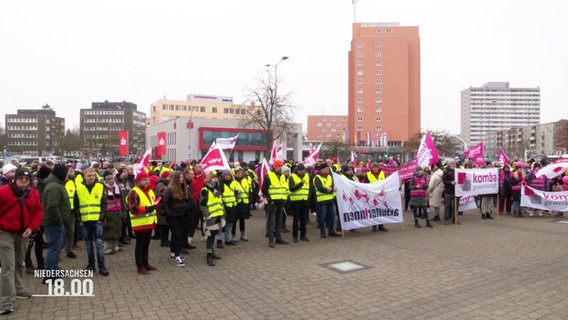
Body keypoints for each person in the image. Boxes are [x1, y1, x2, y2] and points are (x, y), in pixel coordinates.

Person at [0, 169, 43, 315]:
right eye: (21, 177)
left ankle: (18, 288)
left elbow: (38, 211)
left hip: (24, 233)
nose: (24, 180)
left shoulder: (33, 193)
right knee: (8, 266)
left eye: (27, 178)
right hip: (5, 232)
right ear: (15, 178)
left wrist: (32, 227)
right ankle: (6, 300)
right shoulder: (4, 191)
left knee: (20, 262)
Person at [75, 168, 109, 276]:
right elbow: (76, 206)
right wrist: (79, 219)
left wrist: (101, 218)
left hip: (97, 220)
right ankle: (91, 266)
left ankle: (102, 266)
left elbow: (104, 203)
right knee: (88, 244)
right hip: (84, 221)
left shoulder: (100, 186)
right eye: (89, 175)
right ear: (84, 176)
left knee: (99, 244)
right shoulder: (79, 188)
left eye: (93, 175)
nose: (92, 177)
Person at [41, 164, 71, 283]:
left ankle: (53, 270)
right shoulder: (54, 187)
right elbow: (52, 206)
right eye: (67, 172)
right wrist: (60, 221)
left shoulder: (57, 185)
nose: (69, 175)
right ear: (61, 174)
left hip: (56, 222)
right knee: (53, 249)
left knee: (56, 249)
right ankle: (48, 275)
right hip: (54, 223)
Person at [127, 171, 158, 275]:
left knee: (146, 245)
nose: (146, 181)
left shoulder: (150, 191)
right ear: (138, 181)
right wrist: (147, 209)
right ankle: (140, 266)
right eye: (144, 180)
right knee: (140, 246)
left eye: (147, 179)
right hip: (139, 224)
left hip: (149, 222)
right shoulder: (134, 192)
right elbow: (133, 208)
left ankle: (146, 263)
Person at [162, 171, 191, 267]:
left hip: (181, 215)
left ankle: (173, 253)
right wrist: (171, 214)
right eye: (180, 178)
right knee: (177, 235)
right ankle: (177, 255)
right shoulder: (169, 189)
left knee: (177, 235)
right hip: (173, 216)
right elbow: (165, 203)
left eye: (182, 178)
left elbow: (185, 200)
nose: (182, 179)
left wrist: (186, 208)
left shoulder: (183, 189)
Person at [262, 159, 290, 247]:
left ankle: (278, 238)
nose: (280, 168)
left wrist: (285, 198)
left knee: (279, 221)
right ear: (275, 166)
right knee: (271, 221)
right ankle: (271, 239)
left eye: (281, 166)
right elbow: (264, 189)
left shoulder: (283, 176)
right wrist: (270, 199)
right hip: (272, 202)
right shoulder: (269, 176)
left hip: (281, 202)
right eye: (279, 166)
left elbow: (285, 188)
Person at [199, 171, 224, 266]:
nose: (216, 179)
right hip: (210, 218)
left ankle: (212, 251)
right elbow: (202, 205)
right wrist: (208, 216)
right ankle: (209, 254)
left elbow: (219, 202)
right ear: (209, 179)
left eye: (216, 178)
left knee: (214, 235)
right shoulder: (205, 190)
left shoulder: (216, 189)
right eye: (213, 178)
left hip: (217, 216)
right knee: (210, 236)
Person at [313, 162, 339, 238]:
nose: (328, 169)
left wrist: (331, 188)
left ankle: (331, 231)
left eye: (328, 168)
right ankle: (323, 232)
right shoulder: (317, 178)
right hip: (322, 201)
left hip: (330, 199)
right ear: (322, 169)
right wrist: (329, 190)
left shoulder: (329, 176)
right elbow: (320, 188)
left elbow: (331, 185)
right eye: (326, 168)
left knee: (332, 215)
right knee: (322, 217)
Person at [102, 174, 123, 255]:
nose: (111, 180)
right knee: (109, 232)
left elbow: (121, 199)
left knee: (117, 230)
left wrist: (124, 210)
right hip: (109, 212)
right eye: (109, 179)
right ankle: (107, 249)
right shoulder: (103, 188)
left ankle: (115, 247)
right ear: (105, 180)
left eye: (112, 179)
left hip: (118, 211)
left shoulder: (117, 187)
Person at [289, 163, 310, 242]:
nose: (302, 172)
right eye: (300, 170)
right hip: (295, 200)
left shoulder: (307, 176)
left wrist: (308, 197)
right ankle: (295, 236)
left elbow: (309, 188)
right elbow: (291, 188)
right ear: (297, 170)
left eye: (303, 170)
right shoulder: (292, 177)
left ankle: (303, 235)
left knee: (303, 219)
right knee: (296, 219)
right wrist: (300, 184)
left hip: (304, 200)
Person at [366, 162, 388, 232]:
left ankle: (381, 226)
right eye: (374, 167)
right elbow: (366, 184)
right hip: (372, 195)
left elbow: (386, 183)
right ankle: (374, 225)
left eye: (376, 167)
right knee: (374, 210)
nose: (375, 169)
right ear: (372, 168)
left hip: (381, 195)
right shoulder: (368, 174)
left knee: (381, 210)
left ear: (379, 168)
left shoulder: (382, 173)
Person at [219, 170, 238, 247]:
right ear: (223, 176)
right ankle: (219, 240)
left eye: (229, 175)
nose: (228, 176)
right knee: (222, 224)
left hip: (232, 206)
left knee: (230, 223)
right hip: (224, 206)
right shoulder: (221, 185)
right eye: (226, 175)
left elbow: (235, 193)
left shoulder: (233, 183)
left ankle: (228, 239)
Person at [233, 166, 251, 241]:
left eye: (241, 173)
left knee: (242, 219)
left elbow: (248, 190)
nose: (240, 174)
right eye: (238, 173)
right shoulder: (233, 181)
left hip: (244, 202)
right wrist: (236, 192)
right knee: (234, 220)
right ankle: (233, 235)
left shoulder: (245, 180)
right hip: (237, 203)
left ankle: (242, 234)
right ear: (235, 173)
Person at [443, 160, 459, 225]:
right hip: (448, 191)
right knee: (447, 205)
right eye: (453, 163)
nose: (455, 164)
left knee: (456, 206)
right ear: (450, 164)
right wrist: (450, 182)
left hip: (456, 191)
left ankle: (454, 218)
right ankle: (446, 218)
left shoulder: (457, 171)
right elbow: (444, 180)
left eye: (455, 163)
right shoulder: (446, 172)